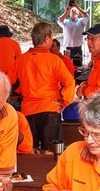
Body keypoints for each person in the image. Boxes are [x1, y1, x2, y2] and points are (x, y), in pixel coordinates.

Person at [8, 22, 75, 153]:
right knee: (50, 153)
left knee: (30, 151)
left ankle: (31, 174)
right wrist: (65, 101)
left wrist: (21, 92)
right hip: (50, 109)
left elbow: (10, 82)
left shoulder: (21, 60)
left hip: (28, 111)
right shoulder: (54, 60)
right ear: (47, 39)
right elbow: (69, 82)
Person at [57, 0, 89, 66]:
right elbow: (59, 21)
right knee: (67, 65)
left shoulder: (81, 22)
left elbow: (86, 17)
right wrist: (66, 11)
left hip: (78, 48)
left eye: (75, 11)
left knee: (78, 65)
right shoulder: (65, 22)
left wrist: (77, 7)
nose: (73, 12)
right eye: (72, 11)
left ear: (78, 13)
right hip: (68, 48)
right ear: (69, 13)